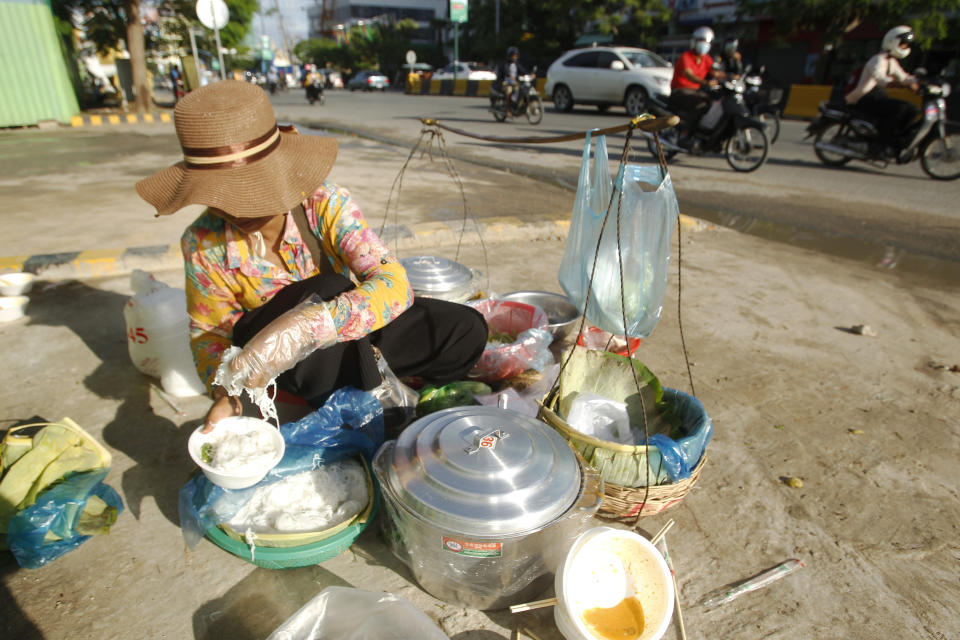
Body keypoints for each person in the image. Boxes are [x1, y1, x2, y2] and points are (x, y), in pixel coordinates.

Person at [135, 81, 488, 431]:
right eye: (220, 195)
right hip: (283, 369)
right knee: (329, 285)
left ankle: (386, 389)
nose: (237, 207)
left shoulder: (324, 202)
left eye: (249, 189)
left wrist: (308, 326)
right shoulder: (201, 244)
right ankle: (372, 407)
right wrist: (227, 392)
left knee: (465, 328)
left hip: (346, 333)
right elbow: (208, 337)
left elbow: (393, 284)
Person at [845, 25, 920, 156]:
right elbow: (880, 78)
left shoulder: (891, 61)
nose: (905, 48)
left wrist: (920, 82)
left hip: (877, 95)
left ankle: (894, 140)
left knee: (912, 109)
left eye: (906, 45)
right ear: (894, 42)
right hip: (864, 97)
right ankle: (880, 144)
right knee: (899, 110)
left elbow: (904, 77)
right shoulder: (878, 59)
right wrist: (898, 84)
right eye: (903, 44)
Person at [669, 26, 720, 127]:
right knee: (700, 104)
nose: (704, 45)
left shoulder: (706, 58)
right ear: (695, 42)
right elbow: (689, 75)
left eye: (706, 43)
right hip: (680, 91)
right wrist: (705, 82)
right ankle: (686, 130)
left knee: (713, 103)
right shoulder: (686, 56)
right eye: (702, 42)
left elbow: (716, 73)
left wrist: (730, 76)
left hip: (696, 91)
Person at [496, 47, 527, 115]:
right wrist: (509, 76)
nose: (514, 57)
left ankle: (518, 105)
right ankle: (508, 109)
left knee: (522, 90)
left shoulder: (516, 64)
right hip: (506, 83)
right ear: (509, 56)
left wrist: (530, 74)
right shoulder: (506, 63)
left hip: (514, 83)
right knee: (509, 91)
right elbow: (506, 71)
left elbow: (522, 70)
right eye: (513, 55)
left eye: (516, 55)